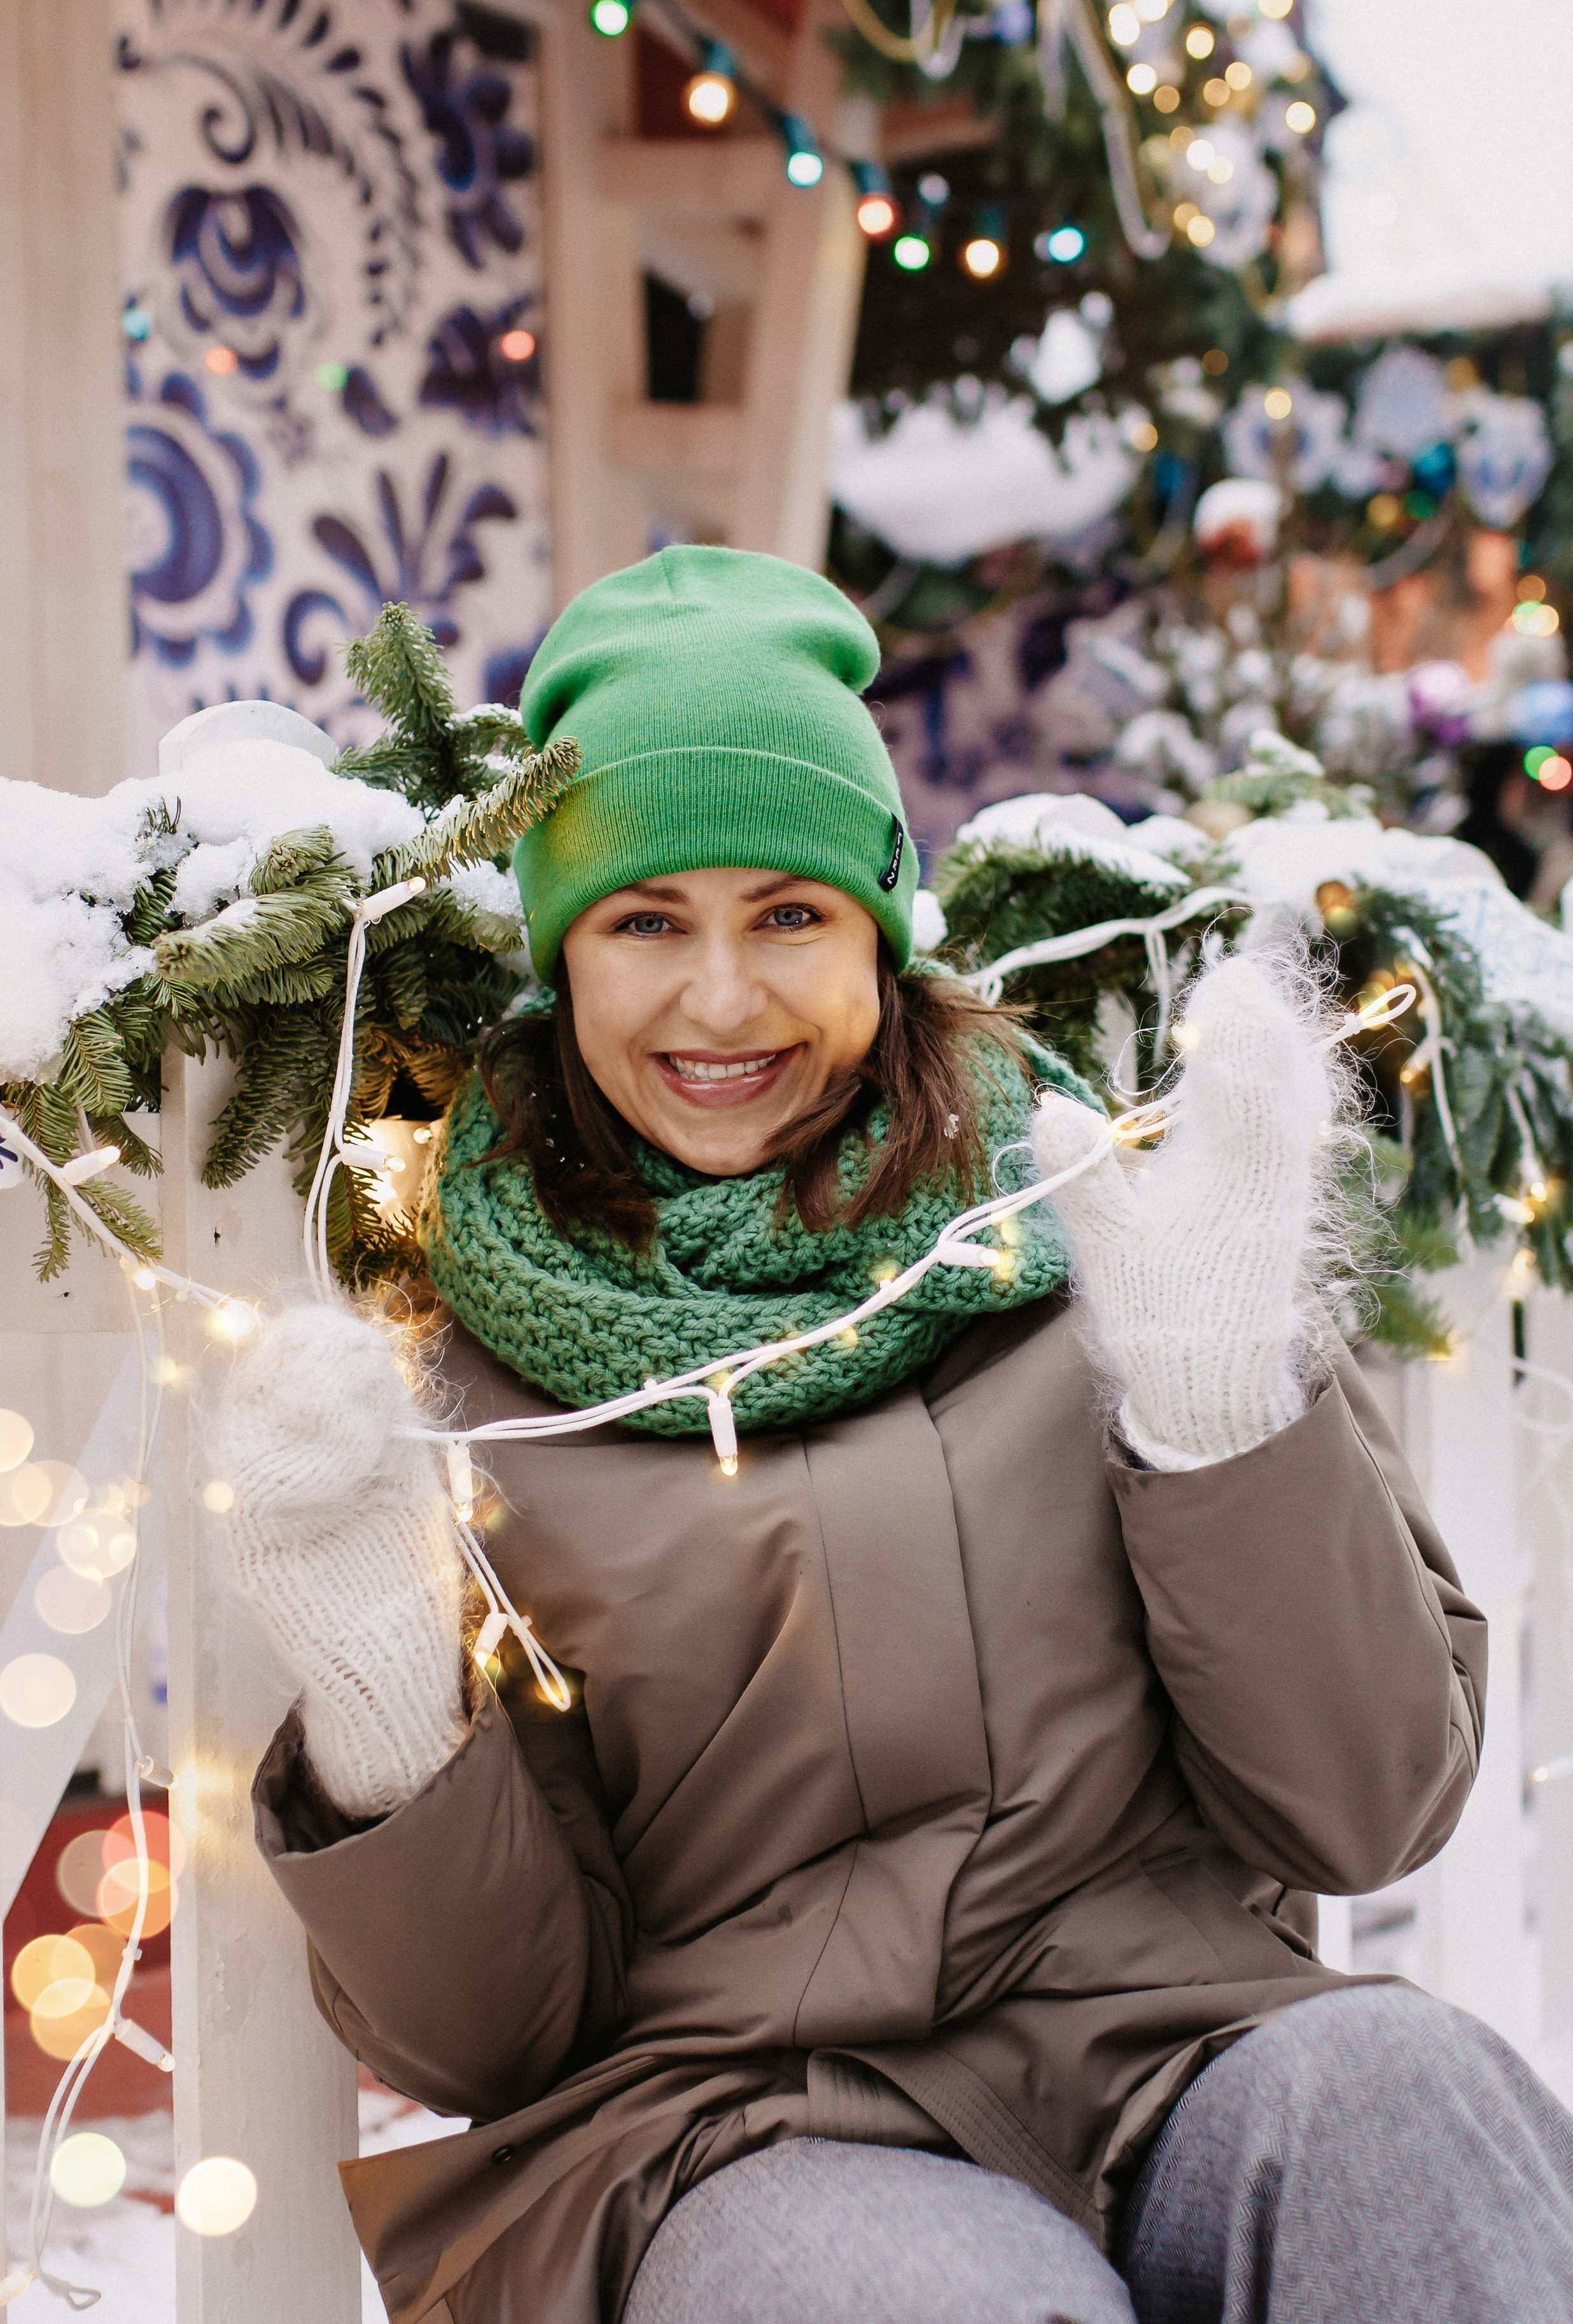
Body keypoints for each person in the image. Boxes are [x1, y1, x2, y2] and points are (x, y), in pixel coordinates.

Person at [212, 548, 1573, 2324]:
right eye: (646, 922)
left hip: (1170, 2049)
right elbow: (494, 2037)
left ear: (879, 926)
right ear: (563, 952)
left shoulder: (1100, 1239)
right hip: (727, 2134)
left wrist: (1217, 1414)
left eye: (788, 914)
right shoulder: (468, 1388)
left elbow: (1368, 1808)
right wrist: (392, 1706)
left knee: (1406, 2097)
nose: (722, 1000)